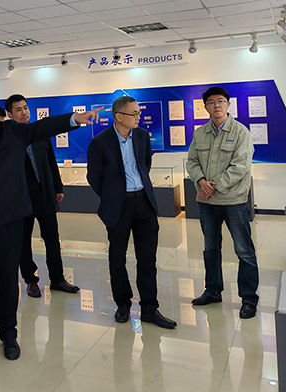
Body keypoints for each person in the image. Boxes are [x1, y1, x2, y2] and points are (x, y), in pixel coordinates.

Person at [0, 90, 100, 364]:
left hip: (10, 218)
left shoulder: (12, 132)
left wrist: (74, 119)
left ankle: (8, 333)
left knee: (8, 278)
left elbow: (42, 128)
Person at [86, 95, 177, 329]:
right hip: (119, 206)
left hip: (144, 203)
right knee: (117, 258)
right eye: (133, 113)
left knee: (148, 259)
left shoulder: (142, 136)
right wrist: (112, 196)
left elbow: (145, 165)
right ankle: (123, 304)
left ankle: (150, 309)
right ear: (118, 116)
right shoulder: (100, 142)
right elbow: (94, 177)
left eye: (138, 113)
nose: (138, 117)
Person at [186, 86, 259, 319]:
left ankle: (249, 299)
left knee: (243, 250)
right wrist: (200, 181)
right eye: (211, 102)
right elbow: (192, 161)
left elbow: (240, 167)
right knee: (210, 248)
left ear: (228, 104)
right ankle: (212, 291)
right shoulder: (200, 133)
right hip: (207, 203)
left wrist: (213, 186)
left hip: (233, 201)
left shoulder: (241, 132)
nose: (216, 105)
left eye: (220, 101)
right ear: (205, 107)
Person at [4, 94, 79, 297]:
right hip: (21, 199)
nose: (24, 112)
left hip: (45, 195)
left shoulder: (40, 133)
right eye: (18, 110)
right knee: (23, 242)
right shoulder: (8, 138)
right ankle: (30, 280)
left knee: (52, 239)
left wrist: (58, 187)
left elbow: (50, 161)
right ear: (10, 114)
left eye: (25, 108)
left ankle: (58, 278)